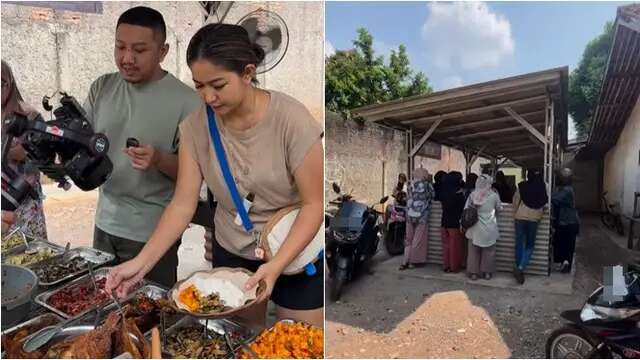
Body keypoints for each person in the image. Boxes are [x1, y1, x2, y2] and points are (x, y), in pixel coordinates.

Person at [105, 23, 324, 328]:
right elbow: (182, 205)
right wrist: (141, 264)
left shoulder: (292, 120)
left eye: (218, 85)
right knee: (240, 340)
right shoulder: (196, 128)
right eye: (199, 86)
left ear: (247, 73)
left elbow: (314, 205)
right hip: (234, 252)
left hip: (295, 248)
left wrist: (274, 267)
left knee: (299, 343)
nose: (208, 97)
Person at [83, 7, 202, 288]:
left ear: (162, 52)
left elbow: (194, 177)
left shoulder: (187, 102)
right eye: (120, 47)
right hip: (104, 224)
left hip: (152, 234)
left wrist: (160, 159)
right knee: (101, 307)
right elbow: (81, 141)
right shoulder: (102, 87)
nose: (126, 58)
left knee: (147, 319)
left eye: (139, 50)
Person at [1, 60, 48, 240]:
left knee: (29, 250)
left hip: (23, 197)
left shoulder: (28, 115)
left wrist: (21, 153)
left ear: (9, 83)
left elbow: (42, 156)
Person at [512, 169, 548, 284]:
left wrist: (515, 213)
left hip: (520, 218)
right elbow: (545, 203)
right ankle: (521, 268)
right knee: (529, 245)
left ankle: (518, 267)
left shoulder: (522, 186)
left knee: (519, 243)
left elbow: (515, 201)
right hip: (534, 219)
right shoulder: (543, 187)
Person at [465, 174, 502, 280]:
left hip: (474, 227)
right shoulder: (494, 195)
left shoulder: (472, 195)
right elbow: (499, 208)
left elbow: (467, 208)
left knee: (473, 251)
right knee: (489, 251)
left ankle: (473, 273)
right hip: (489, 227)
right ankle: (487, 273)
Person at [400, 167, 434, 270]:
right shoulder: (428, 185)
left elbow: (408, 197)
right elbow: (433, 196)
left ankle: (404, 261)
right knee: (417, 240)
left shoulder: (410, 185)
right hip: (422, 216)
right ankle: (412, 262)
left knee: (408, 239)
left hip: (409, 215)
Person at [552, 168, 580, 273]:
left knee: (567, 245)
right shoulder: (563, 189)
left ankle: (566, 265)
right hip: (564, 221)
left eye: (560, 178)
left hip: (569, 222)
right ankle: (563, 263)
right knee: (560, 243)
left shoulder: (567, 190)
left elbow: (554, 199)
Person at [440, 171, 466, 273]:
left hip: (444, 223)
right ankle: (454, 267)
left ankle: (446, 266)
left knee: (446, 246)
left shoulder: (443, 193)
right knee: (455, 247)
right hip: (454, 224)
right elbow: (463, 209)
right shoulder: (459, 194)